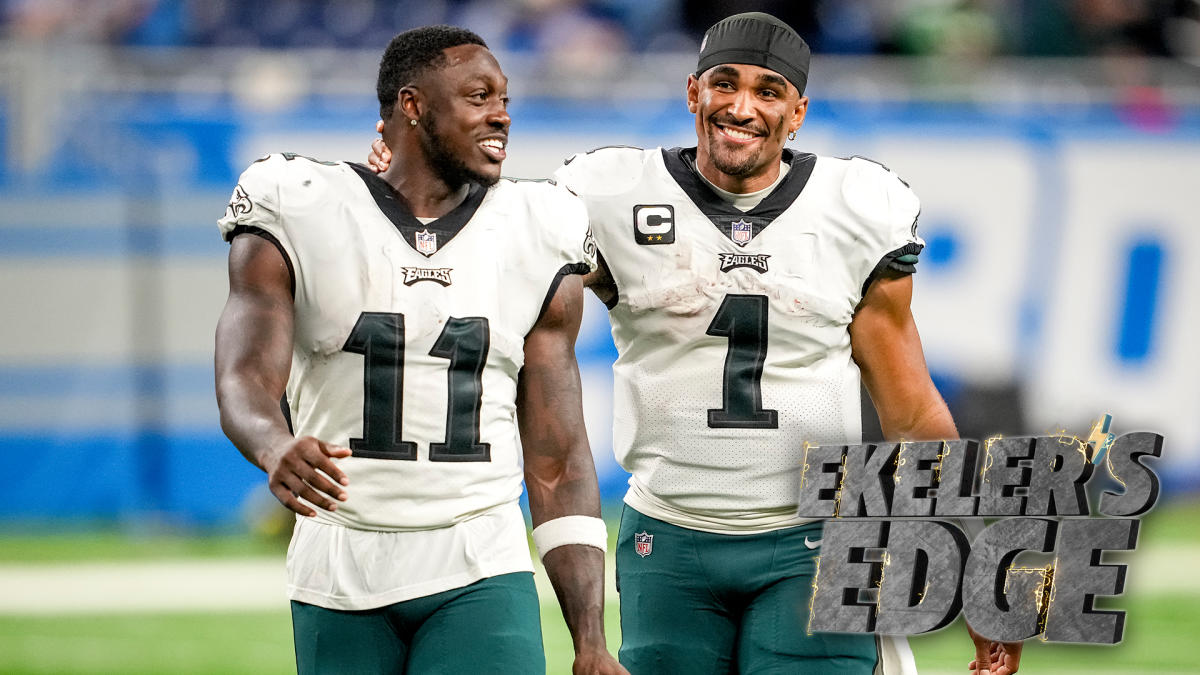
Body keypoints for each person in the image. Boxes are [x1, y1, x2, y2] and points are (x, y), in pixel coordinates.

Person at [369, 13, 1021, 675]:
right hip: (669, 541)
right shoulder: (611, 195)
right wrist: (409, 178)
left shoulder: (855, 207)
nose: (742, 106)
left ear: (797, 113)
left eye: (768, 92)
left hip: (814, 543)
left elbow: (912, 414)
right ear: (692, 93)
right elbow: (488, 246)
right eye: (725, 85)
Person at [215, 25, 626, 675]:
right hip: (338, 561)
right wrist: (273, 444)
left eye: (506, 98)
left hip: (479, 556)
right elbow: (243, 372)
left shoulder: (537, 226)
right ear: (412, 105)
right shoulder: (303, 203)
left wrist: (591, 638)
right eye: (479, 94)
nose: (502, 113)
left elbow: (558, 457)